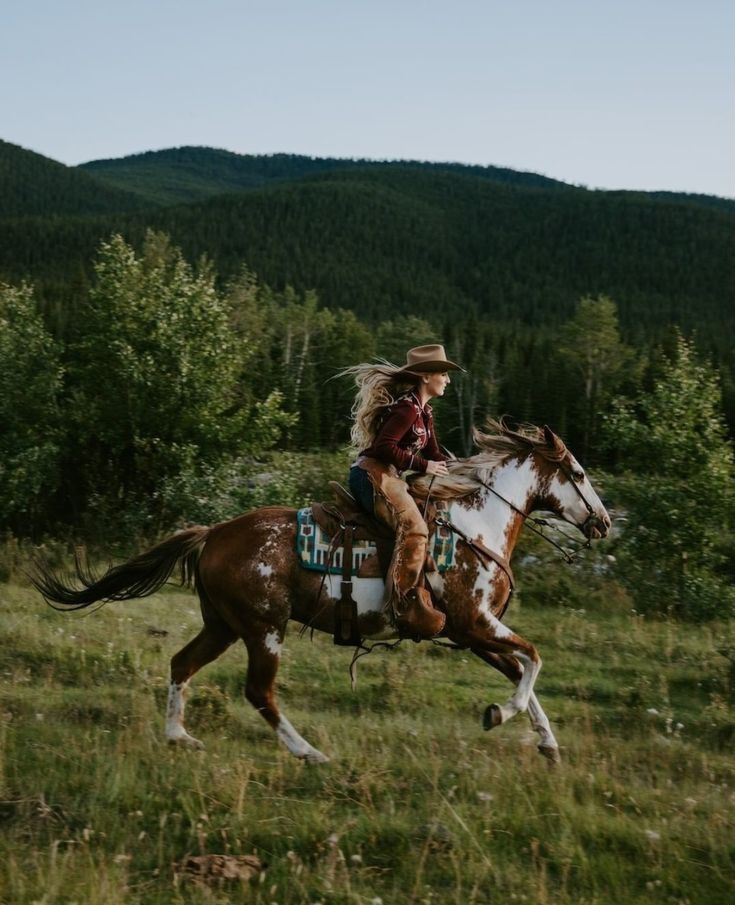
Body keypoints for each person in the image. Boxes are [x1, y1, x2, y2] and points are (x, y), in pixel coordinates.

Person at [343, 344, 464, 639]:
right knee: (414, 528)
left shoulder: (425, 412)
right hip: (372, 475)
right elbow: (385, 446)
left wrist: (468, 470)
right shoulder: (407, 408)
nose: (447, 380)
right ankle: (398, 605)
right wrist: (422, 464)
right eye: (443, 374)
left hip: (390, 477)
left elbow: (435, 454)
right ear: (425, 377)